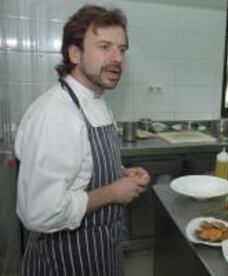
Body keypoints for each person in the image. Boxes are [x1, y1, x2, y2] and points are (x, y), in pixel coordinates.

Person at [15, 5, 150, 275]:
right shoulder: (57, 115)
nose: (117, 58)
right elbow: (39, 212)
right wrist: (113, 192)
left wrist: (121, 174)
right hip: (65, 262)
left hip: (102, 253)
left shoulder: (97, 100)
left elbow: (81, 167)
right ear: (74, 53)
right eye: (104, 47)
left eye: (121, 49)